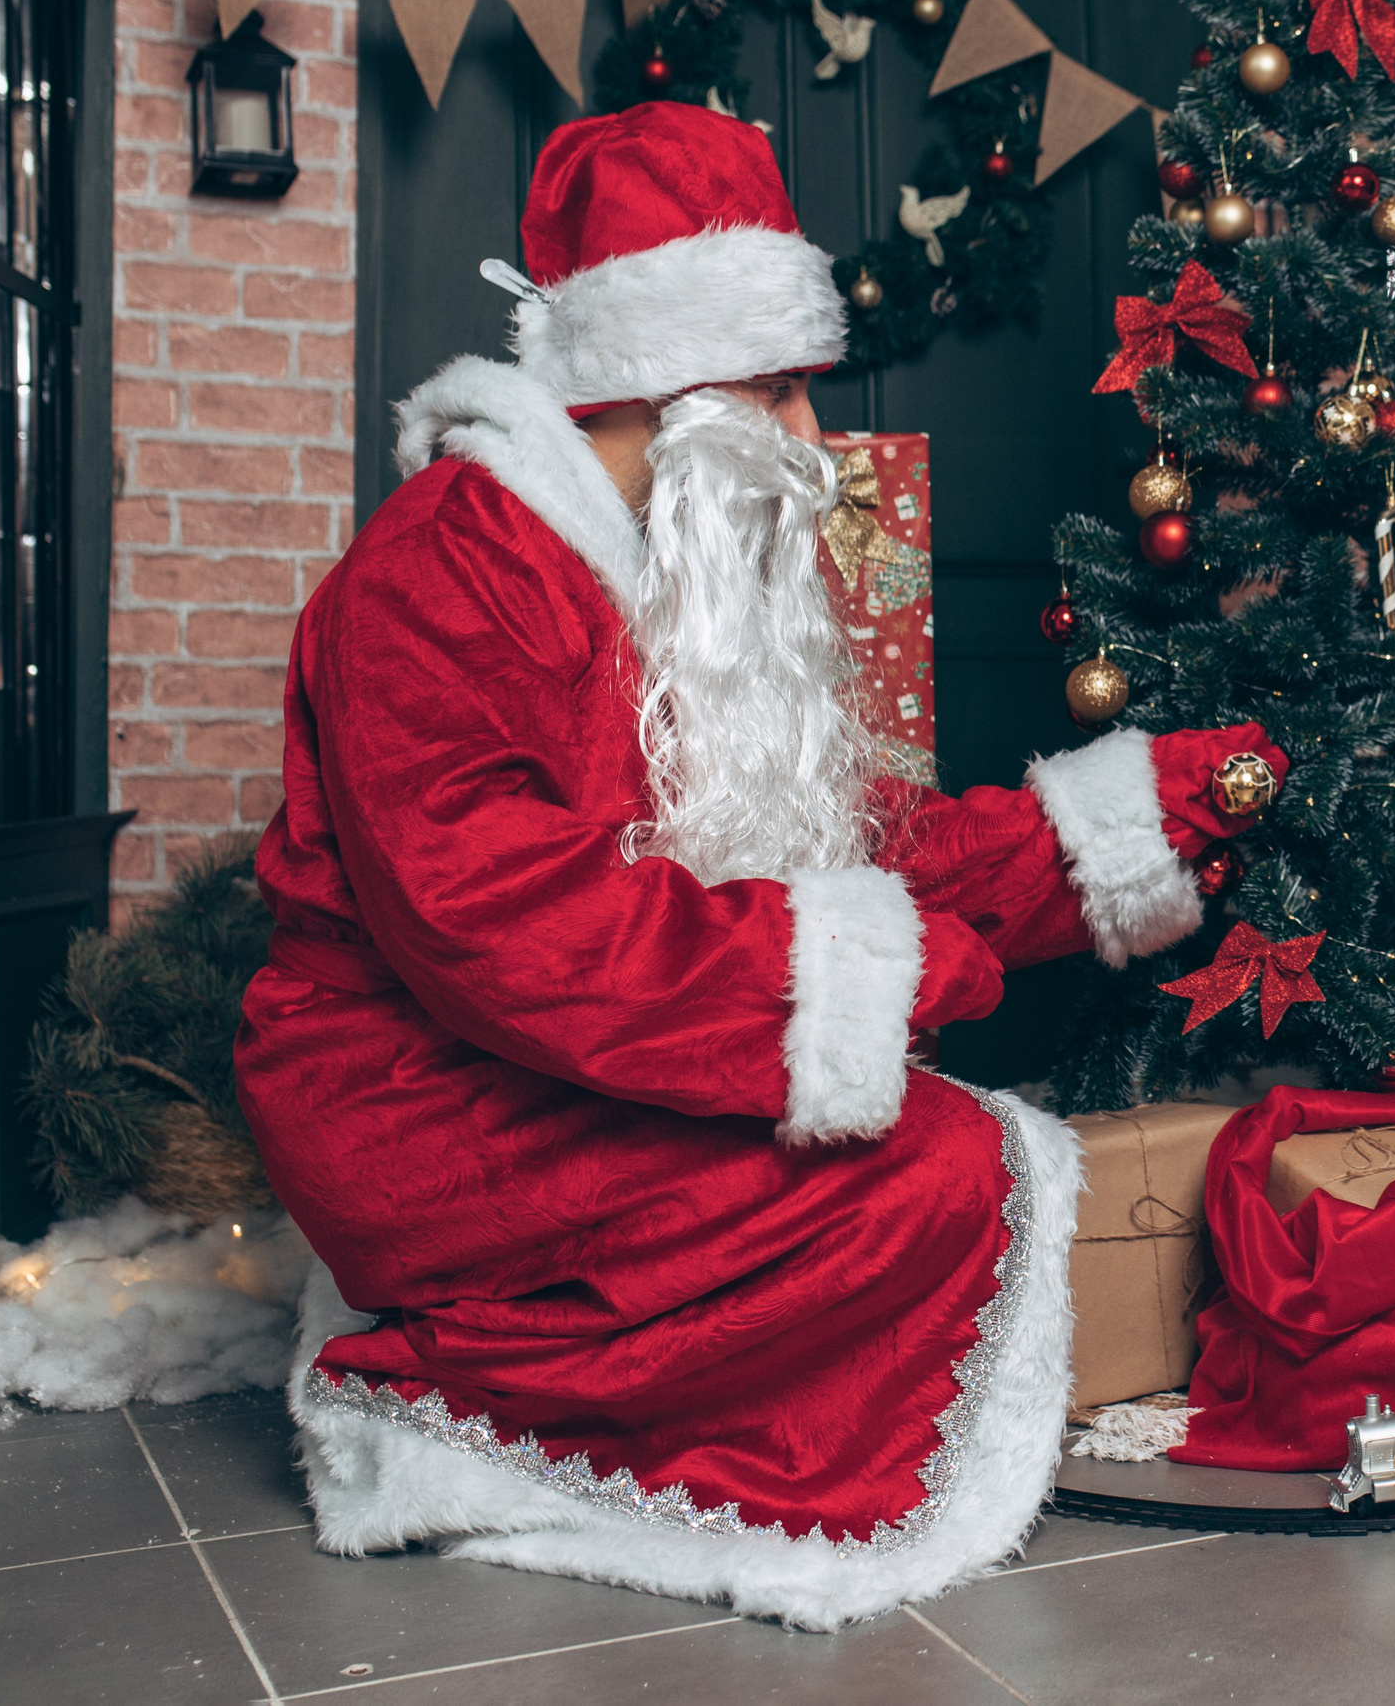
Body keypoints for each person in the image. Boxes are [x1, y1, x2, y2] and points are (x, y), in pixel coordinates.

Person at [236, 102, 1280, 1627]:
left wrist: (1134, 822)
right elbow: (510, 925)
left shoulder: (680, 561)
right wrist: (889, 967)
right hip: (410, 1087)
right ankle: (420, 1396)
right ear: (654, 386)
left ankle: (551, 1351)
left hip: (563, 1047)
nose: (814, 445)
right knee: (932, 1165)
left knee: (934, 1157)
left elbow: (856, 840)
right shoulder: (443, 572)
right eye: (782, 391)